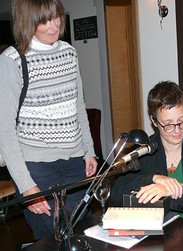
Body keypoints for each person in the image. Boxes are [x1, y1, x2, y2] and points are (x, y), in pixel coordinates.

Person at [0, 0, 98, 239]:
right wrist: (26, 186)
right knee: (50, 239)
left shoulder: (69, 52)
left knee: (81, 234)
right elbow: (5, 131)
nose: (54, 25)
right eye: (44, 20)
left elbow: (78, 106)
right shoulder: (11, 60)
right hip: (37, 170)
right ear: (27, 22)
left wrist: (88, 150)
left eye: (56, 17)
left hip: (76, 163)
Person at [111, 81, 183, 220]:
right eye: (168, 125)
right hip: (159, 227)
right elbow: (117, 194)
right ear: (154, 121)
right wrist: (153, 179)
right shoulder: (143, 150)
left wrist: (167, 193)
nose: (177, 130)